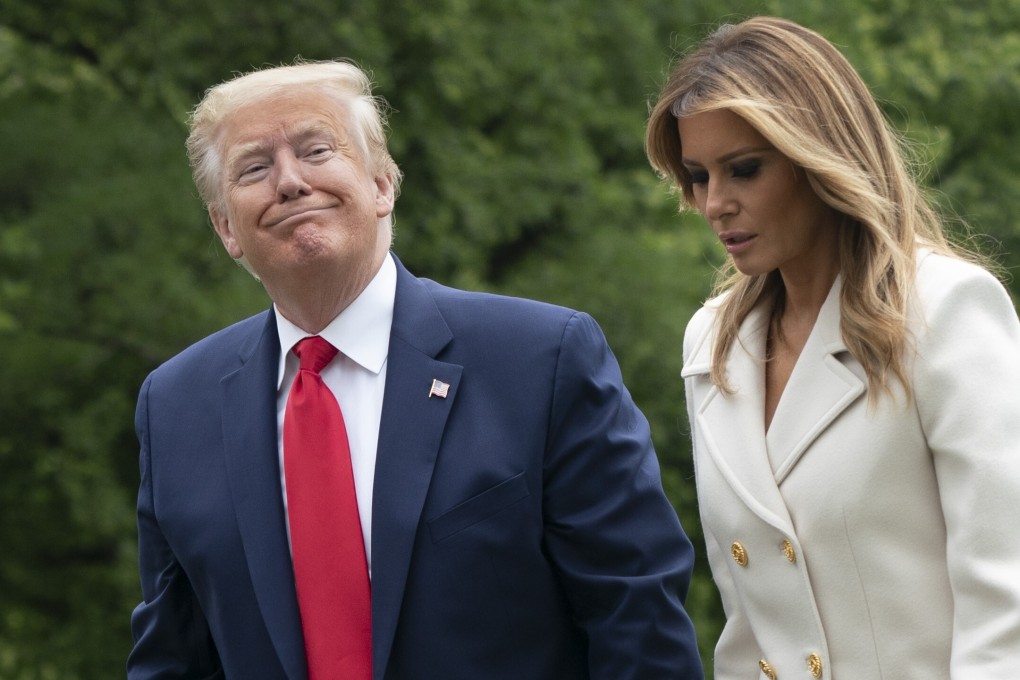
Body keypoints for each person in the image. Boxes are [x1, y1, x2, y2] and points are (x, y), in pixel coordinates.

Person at [126, 59, 704, 680]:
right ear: (225, 228)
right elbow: (172, 660)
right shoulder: (175, 406)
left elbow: (637, 618)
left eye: (316, 150)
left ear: (381, 184)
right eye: (254, 168)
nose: (289, 181)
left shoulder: (541, 359)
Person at [646, 16, 1020, 680]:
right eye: (700, 176)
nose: (715, 204)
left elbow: (1005, 606)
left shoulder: (947, 310)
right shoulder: (712, 341)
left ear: (819, 154)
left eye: (744, 170)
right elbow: (747, 629)